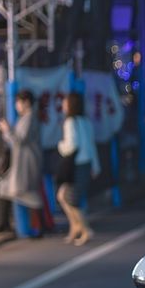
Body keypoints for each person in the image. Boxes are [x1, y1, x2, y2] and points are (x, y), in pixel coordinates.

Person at [0, 89, 44, 236]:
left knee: (27, 193)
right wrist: (8, 131)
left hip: (26, 163)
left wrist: (7, 130)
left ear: (27, 103)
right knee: (8, 189)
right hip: (23, 162)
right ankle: (7, 224)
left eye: (19, 102)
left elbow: (19, 140)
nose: (17, 105)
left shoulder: (28, 119)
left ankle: (38, 227)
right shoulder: (26, 118)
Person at [56, 90, 100, 245]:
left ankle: (85, 229)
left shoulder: (70, 122)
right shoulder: (85, 121)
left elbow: (71, 145)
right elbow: (91, 144)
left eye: (65, 102)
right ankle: (75, 227)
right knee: (63, 196)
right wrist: (95, 165)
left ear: (70, 105)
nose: (63, 105)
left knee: (71, 199)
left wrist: (60, 145)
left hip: (76, 165)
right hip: (86, 163)